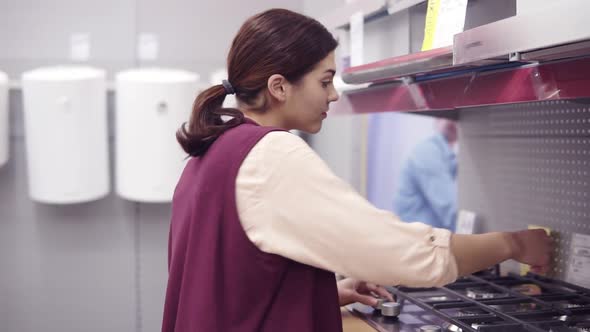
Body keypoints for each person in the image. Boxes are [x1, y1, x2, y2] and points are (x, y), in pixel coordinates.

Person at [162, 8, 552, 332]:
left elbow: (228, 285)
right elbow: (409, 254)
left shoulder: (212, 151)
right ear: (280, 87)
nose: (333, 94)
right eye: (325, 81)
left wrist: (324, 293)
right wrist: (513, 243)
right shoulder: (269, 154)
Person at [393, 119, 458, 231]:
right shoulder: (428, 152)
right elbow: (450, 210)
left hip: (426, 239)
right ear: (435, 121)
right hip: (419, 241)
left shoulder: (449, 157)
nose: (449, 121)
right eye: (443, 115)